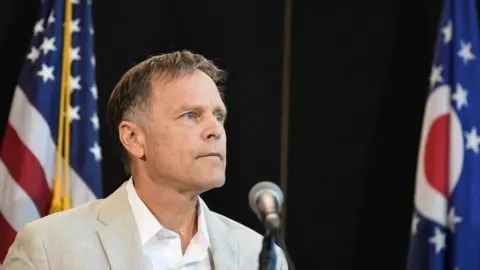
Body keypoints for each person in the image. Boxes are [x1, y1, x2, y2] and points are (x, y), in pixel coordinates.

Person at [2, 50, 288, 270]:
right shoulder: (48, 248)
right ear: (134, 138)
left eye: (218, 115)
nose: (215, 130)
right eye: (191, 115)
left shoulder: (258, 254)